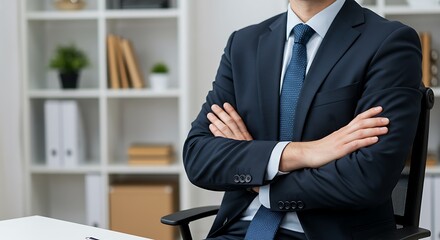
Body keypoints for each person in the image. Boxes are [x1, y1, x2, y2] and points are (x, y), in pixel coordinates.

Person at [183, 0, 422, 239]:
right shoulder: (243, 44)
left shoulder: (389, 43)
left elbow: (369, 176)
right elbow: (198, 156)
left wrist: (261, 179)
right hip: (236, 230)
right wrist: (306, 152)